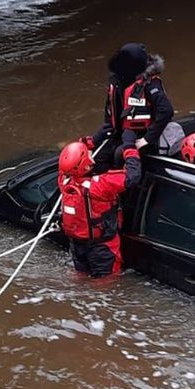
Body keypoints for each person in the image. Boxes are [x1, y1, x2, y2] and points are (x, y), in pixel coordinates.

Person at [56, 139, 142, 277]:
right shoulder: (100, 185)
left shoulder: (64, 182)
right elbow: (132, 176)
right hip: (102, 247)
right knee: (106, 283)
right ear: (85, 165)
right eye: (87, 155)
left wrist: (88, 144)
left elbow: (66, 168)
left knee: (81, 277)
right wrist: (130, 148)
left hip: (77, 245)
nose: (91, 155)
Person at [88, 43, 175, 171]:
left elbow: (166, 111)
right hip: (121, 134)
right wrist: (96, 139)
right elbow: (110, 118)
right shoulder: (117, 83)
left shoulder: (151, 84)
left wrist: (147, 139)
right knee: (97, 159)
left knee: (119, 155)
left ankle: (126, 186)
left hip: (142, 137)